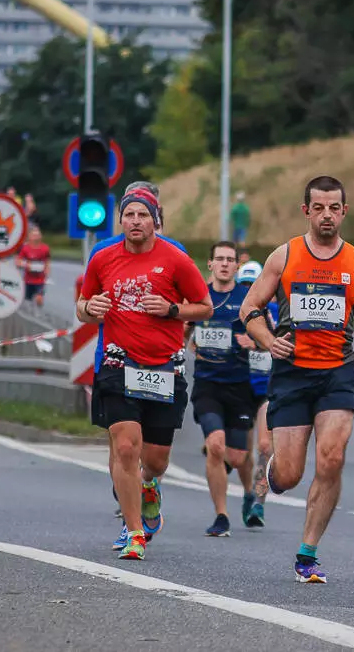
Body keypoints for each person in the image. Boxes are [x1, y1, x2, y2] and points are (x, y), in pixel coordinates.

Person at [240, 175, 354, 584]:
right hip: (292, 374)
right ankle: (272, 470)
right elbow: (249, 308)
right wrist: (269, 341)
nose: (326, 215)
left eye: (334, 208)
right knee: (288, 477)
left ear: (344, 212)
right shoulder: (284, 256)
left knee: (332, 457)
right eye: (318, 207)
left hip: (337, 372)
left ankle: (307, 553)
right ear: (306, 210)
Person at [78, 188, 213, 561]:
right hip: (118, 364)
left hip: (164, 367)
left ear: (155, 220)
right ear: (120, 220)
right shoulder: (103, 258)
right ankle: (134, 532)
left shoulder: (176, 259)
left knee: (155, 459)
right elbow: (82, 306)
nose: (135, 221)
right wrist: (91, 307)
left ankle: (149, 485)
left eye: (142, 215)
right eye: (129, 215)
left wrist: (171, 310)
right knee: (125, 447)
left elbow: (204, 307)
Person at [187, 241, 257, 537]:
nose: (225, 264)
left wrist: (254, 342)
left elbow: (265, 334)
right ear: (210, 264)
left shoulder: (247, 298)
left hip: (240, 386)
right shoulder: (199, 297)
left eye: (230, 259)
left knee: (238, 457)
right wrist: (186, 346)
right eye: (220, 259)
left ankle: (250, 492)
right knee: (215, 445)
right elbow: (184, 330)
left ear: (236, 267)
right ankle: (221, 516)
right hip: (208, 385)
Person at [236, 259, 274, 528]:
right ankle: (248, 491)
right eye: (245, 285)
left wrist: (261, 342)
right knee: (241, 454)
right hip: (238, 388)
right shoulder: (235, 312)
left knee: (264, 446)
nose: (250, 289)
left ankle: (258, 504)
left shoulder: (274, 310)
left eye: (254, 284)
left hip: (267, 389)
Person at [18, 225, 52, 309]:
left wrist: (47, 270)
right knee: (27, 300)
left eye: (38, 235)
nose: (36, 237)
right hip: (28, 279)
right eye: (34, 235)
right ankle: (29, 312)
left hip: (40, 279)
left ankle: (39, 311)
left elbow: (47, 261)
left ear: (40, 236)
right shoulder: (25, 248)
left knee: (39, 298)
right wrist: (26, 265)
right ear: (29, 236)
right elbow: (18, 261)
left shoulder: (45, 248)